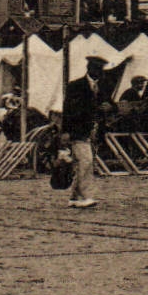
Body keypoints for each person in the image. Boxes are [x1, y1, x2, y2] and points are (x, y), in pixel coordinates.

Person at [58, 56, 111, 209]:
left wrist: (109, 107)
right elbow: (68, 110)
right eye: (97, 70)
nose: (100, 74)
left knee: (84, 164)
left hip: (95, 131)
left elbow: (111, 103)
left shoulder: (103, 86)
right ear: (90, 69)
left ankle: (75, 197)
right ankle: (85, 196)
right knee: (86, 162)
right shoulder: (75, 86)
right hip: (78, 130)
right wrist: (66, 131)